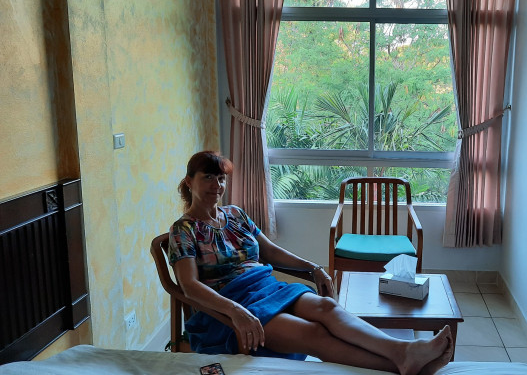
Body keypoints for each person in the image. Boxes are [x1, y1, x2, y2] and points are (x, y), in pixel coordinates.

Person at [169, 151, 453, 375]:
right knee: (314, 333)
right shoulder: (183, 230)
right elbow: (189, 285)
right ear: (189, 182)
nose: (217, 185)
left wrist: (313, 267)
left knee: (327, 307)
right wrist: (236, 312)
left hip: (265, 289)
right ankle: (403, 365)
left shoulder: (235, 214)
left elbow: (271, 252)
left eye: (221, 179)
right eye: (208, 177)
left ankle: (402, 351)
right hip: (229, 307)